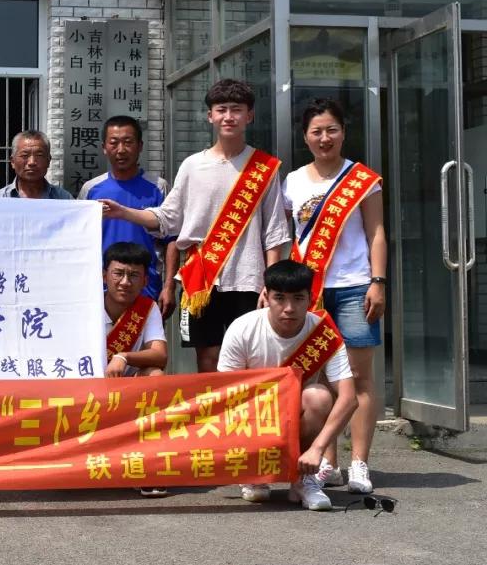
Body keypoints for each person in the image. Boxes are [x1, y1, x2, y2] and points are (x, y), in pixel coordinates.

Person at [100, 79, 289, 372]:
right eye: (221, 110)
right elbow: (167, 218)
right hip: (200, 277)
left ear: (249, 116)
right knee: (208, 359)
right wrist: (125, 212)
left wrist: (271, 282)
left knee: (250, 358)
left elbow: (274, 233)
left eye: (236, 110)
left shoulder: (264, 168)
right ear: (210, 116)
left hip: (248, 278)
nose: (229, 117)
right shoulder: (192, 165)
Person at [284, 99, 386, 494]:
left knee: (359, 377)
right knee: (320, 377)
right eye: (316, 131)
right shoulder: (293, 181)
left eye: (332, 130)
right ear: (305, 137)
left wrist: (378, 281)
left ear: (343, 132)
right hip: (308, 291)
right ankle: (329, 462)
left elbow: (376, 233)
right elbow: (287, 237)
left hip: (355, 286)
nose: (324, 138)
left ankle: (360, 463)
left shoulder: (362, 180)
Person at [218, 260, 357, 511]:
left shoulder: (323, 333)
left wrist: (318, 449)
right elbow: (226, 394)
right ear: (266, 296)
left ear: (311, 298)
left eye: (298, 298)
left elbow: (349, 398)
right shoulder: (242, 328)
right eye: (279, 298)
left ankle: (303, 479)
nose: (289, 308)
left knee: (319, 396)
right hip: (253, 414)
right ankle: (254, 470)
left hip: (296, 415)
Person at [80, 116, 175, 312]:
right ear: (104, 147)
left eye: (128, 142)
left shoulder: (158, 187)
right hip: (99, 292)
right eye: (114, 143)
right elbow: (79, 242)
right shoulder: (91, 190)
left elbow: (172, 241)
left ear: (140, 146)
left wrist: (169, 286)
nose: (121, 150)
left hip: (146, 289)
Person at [100, 241, 168, 498]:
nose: (125, 282)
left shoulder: (147, 308)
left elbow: (160, 355)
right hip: (85, 388)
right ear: (104, 275)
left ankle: (149, 466)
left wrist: (123, 356)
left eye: (134, 275)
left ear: (144, 280)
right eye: (118, 273)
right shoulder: (85, 306)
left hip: (127, 390)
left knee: (156, 377)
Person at [0, 130, 72, 199]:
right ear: (13, 161)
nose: (32, 162)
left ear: (48, 161)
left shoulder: (64, 199)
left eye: (39, 155)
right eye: (25, 155)